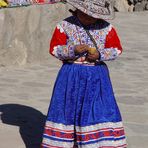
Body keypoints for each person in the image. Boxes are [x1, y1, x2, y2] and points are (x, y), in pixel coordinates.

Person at [41, 0, 127, 147]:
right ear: (78, 10)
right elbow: (55, 49)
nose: (90, 18)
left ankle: (96, 143)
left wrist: (99, 54)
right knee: (67, 109)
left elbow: (116, 49)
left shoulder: (107, 28)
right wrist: (73, 50)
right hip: (71, 76)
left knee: (99, 110)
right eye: (87, 14)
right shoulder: (64, 26)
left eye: (93, 15)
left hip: (97, 79)